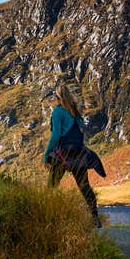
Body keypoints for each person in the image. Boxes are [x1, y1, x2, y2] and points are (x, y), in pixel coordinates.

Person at [43, 85, 101, 227]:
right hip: (79, 153)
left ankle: (47, 218)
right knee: (84, 186)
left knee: (51, 186)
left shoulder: (57, 111)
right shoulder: (75, 112)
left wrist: (46, 155)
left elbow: (56, 135)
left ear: (57, 97)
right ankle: (95, 219)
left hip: (62, 154)